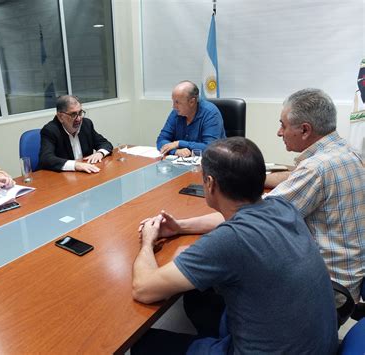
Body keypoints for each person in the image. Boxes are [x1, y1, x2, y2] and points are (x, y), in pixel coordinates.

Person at [131, 137, 337, 354]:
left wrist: (147, 241)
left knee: (144, 345)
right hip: (316, 344)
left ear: (210, 183)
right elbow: (228, 220)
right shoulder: (282, 206)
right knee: (196, 298)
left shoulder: (230, 240)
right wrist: (180, 227)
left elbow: (143, 289)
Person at [265, 88, 364, 302]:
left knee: (236, 274)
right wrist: (255, 177)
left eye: (283, 124)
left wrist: (185, 225)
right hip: (349, 278)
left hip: (326, 291)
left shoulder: (316, 169)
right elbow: (294, 178)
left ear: (305, 130)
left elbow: (258, 215)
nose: (279, 132)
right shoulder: (347, 151)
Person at [38, 95, 113, 173]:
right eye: (73, 114)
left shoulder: (86, 124)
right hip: (63, 177)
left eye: (80, 113)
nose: (79, 119)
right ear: (60, 117)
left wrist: (100, 153)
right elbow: (46, 159)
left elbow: (105, 143)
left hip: (86, 174)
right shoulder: (50, 130)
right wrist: (76, 165)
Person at [156, 80, 225, 157]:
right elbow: (161, 140)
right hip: (182, 163)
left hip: (210, 163)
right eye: (173, 101)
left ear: (192, 102)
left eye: (177, 102)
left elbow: (211, 148)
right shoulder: (176, 112)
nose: (174, 106)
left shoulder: (210, 113)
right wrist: (175, 151)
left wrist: (179, 143)